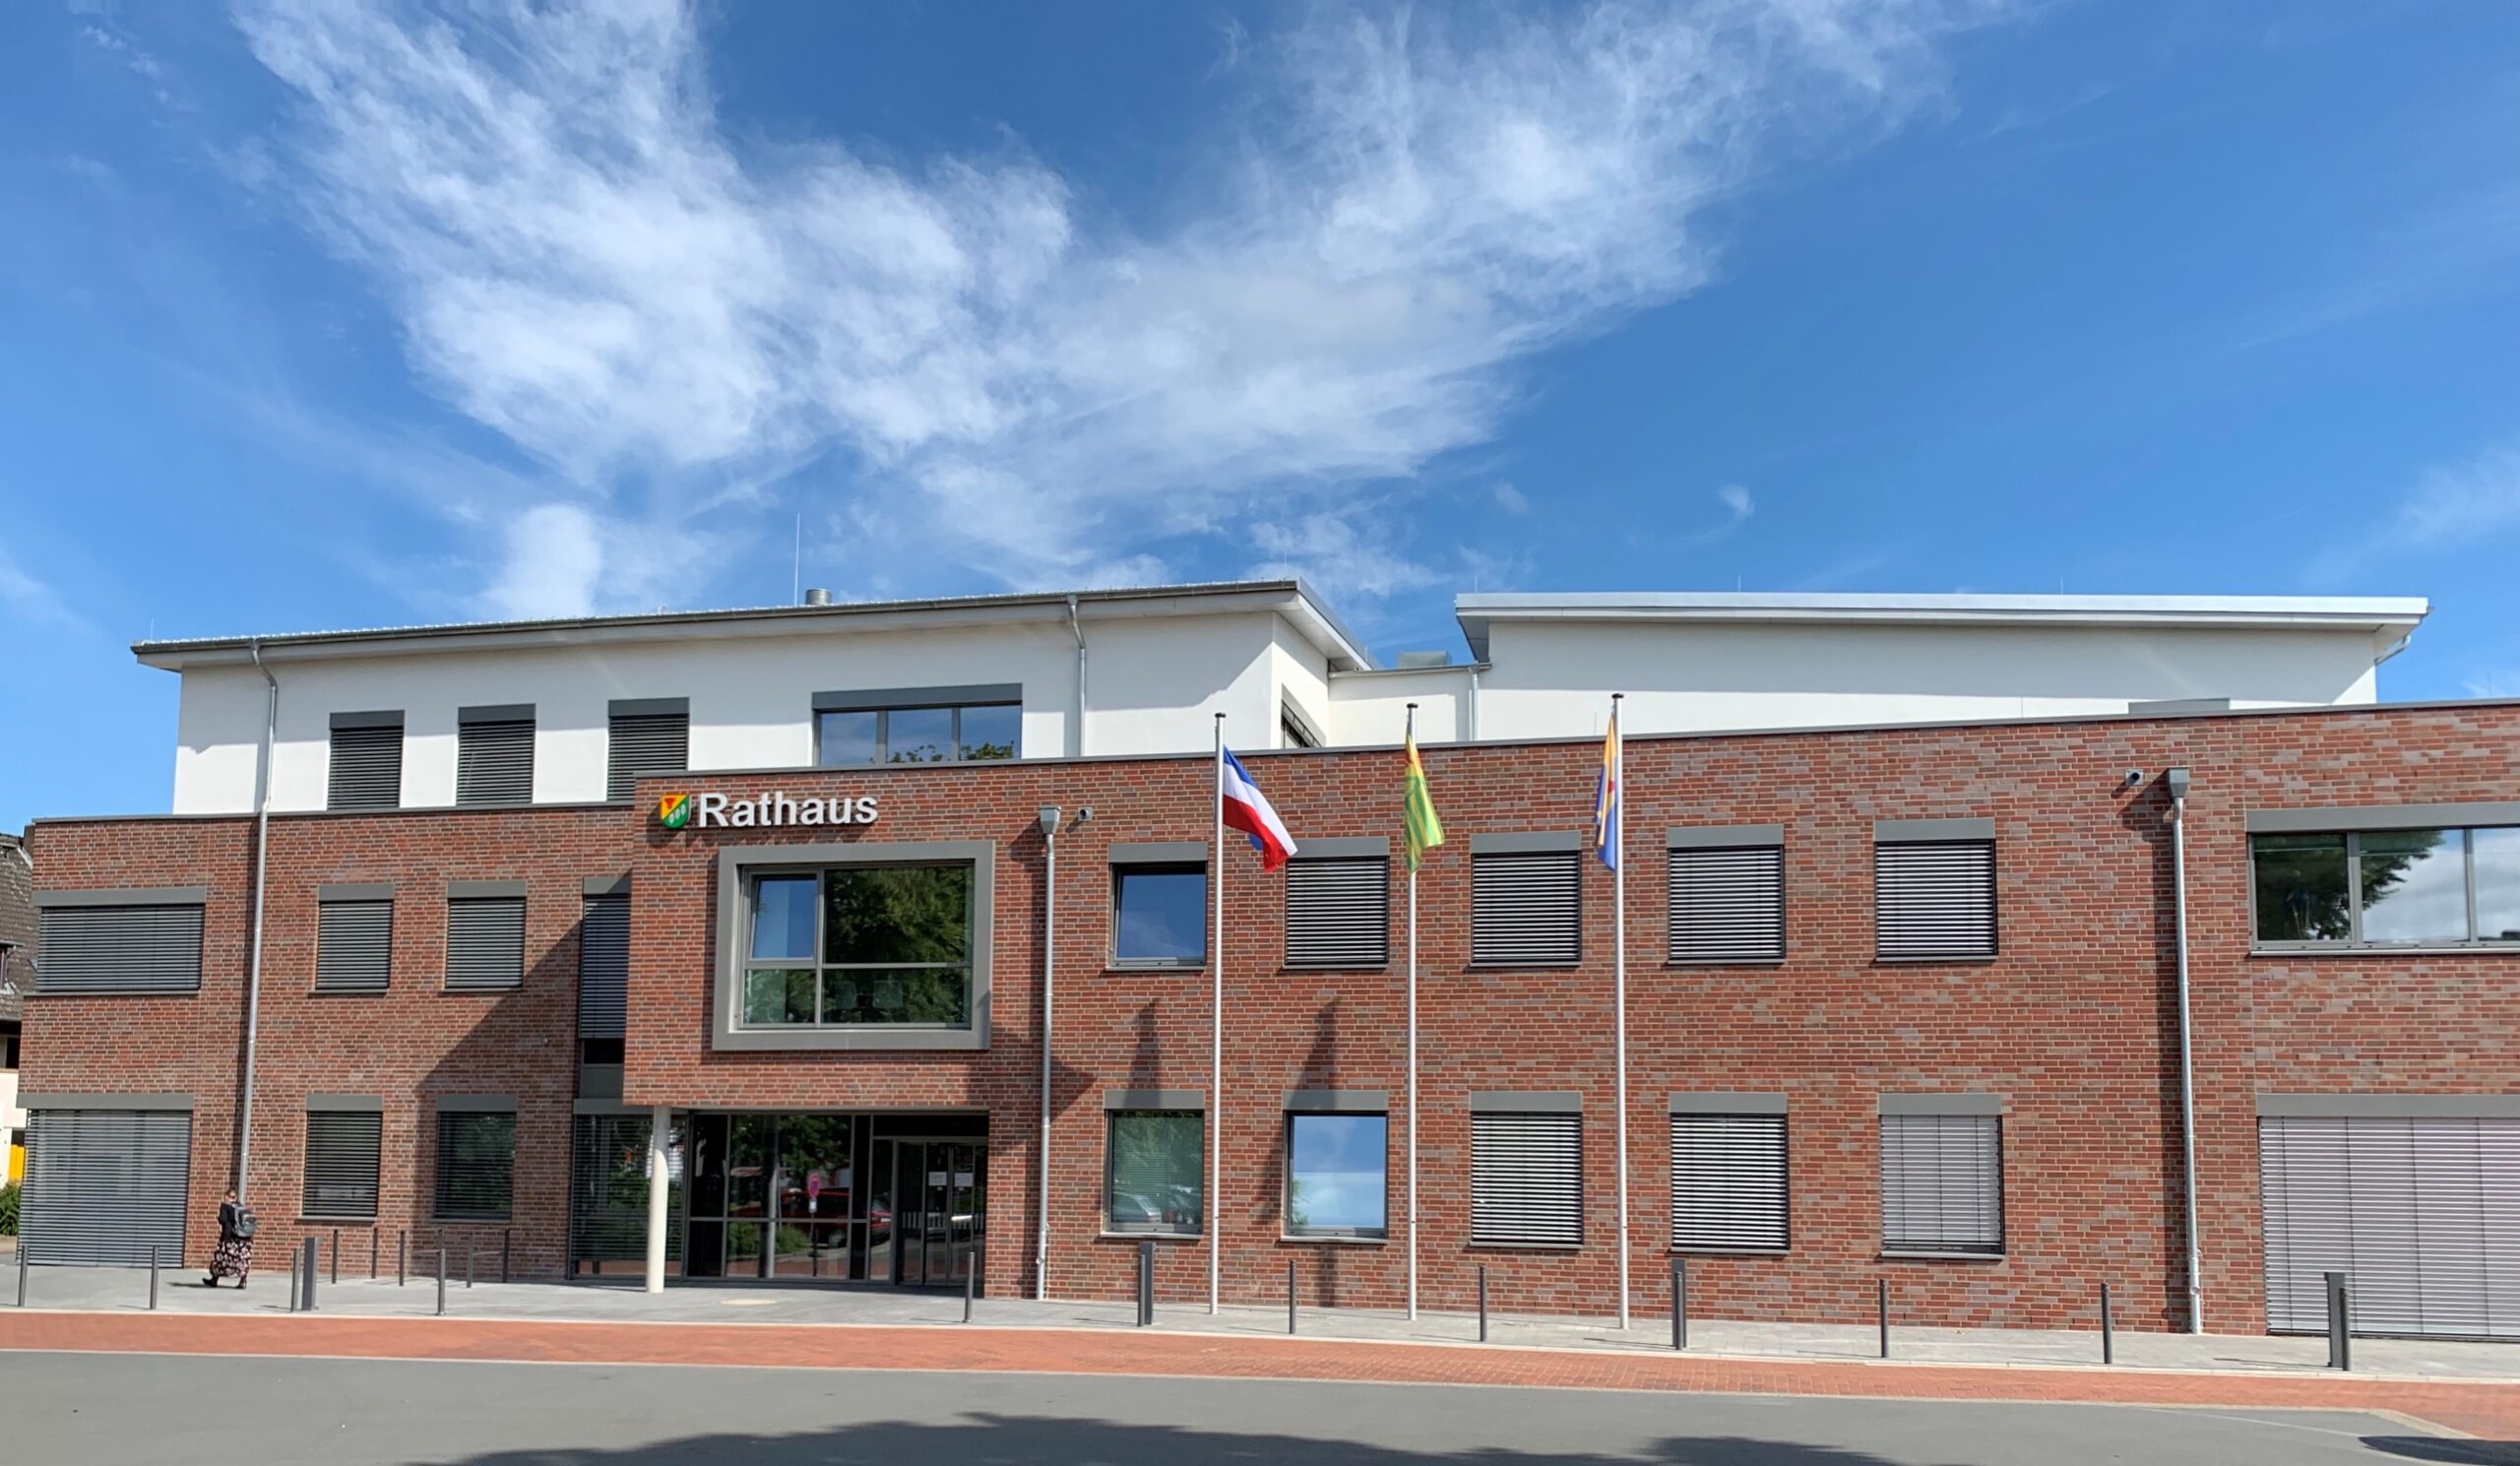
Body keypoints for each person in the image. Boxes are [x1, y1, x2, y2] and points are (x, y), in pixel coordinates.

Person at [207, 1188, 254, 1288]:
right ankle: (243, 1281)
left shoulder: (225, 1206)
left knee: (220, 1259)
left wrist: (220, 1220)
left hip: (229, 1238)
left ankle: (214, 1280)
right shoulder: (241, 1207)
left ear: (227, 1196)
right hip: (243, 1240)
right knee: (242, 1260)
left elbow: (224, 1220)